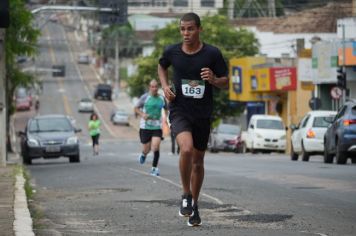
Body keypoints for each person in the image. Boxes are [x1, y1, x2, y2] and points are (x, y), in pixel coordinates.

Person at [158, 12, 229, 227]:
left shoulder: (212, 54)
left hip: (202, 113)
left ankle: (195, 204)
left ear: (199, 29)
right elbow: (162, 66)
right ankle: (185, 194)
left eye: (190, 29)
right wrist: (164, 86)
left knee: (198, 162)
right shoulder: (172, 51)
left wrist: (214, 79)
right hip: (179, 110)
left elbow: (225, 81)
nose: (186, 33)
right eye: (182, 29)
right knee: (186, 149)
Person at [134, 79, 167, 176]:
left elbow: (166, 109)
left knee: (156, 147)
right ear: (149, 87)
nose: (154, 88)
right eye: (152, 87)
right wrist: (142, 114)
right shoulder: (145, 97)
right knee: (146, 149)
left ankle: (154, 168)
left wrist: (165, 119)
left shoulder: (162, 98)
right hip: (145, 127)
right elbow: (136, 108)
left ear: (158, 87)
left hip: (157, 127)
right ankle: (144, 154)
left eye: (156, 86)